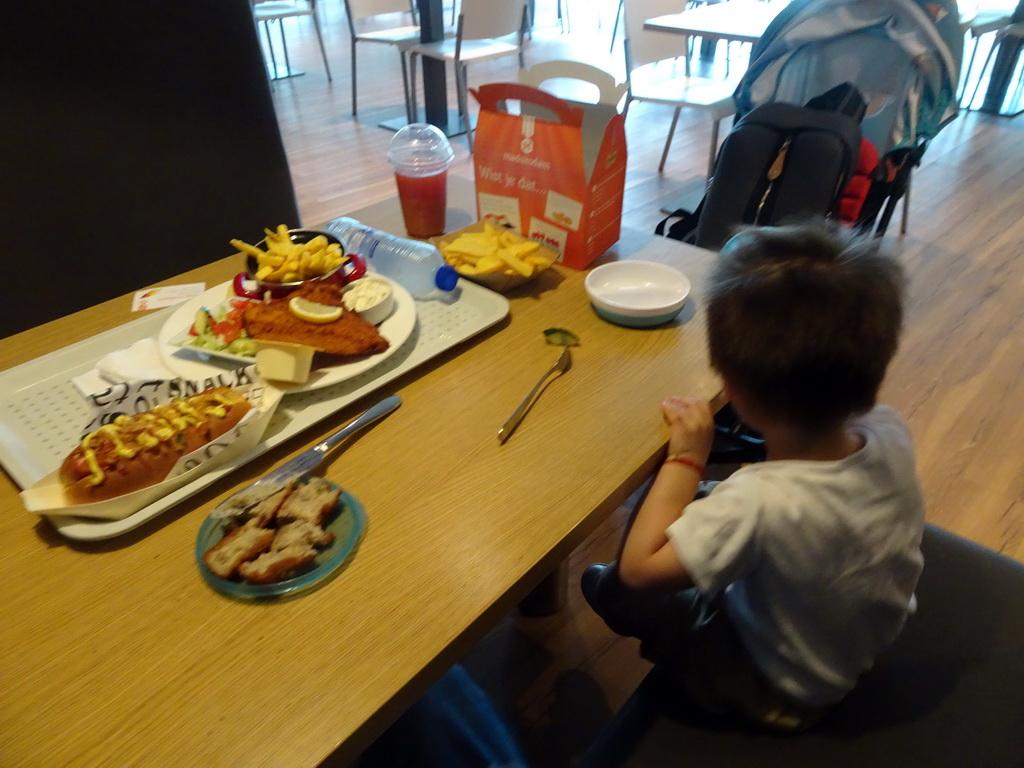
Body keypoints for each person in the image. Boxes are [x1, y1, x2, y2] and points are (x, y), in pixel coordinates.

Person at [582, 222, 926, 732]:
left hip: (778, 685)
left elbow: (640, 569)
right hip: (849, 640)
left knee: (626, 579)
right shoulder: (889, 430)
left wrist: (687, 458)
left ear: (733, 393)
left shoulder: (759, 503)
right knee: (698, 508)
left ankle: (614, 602)